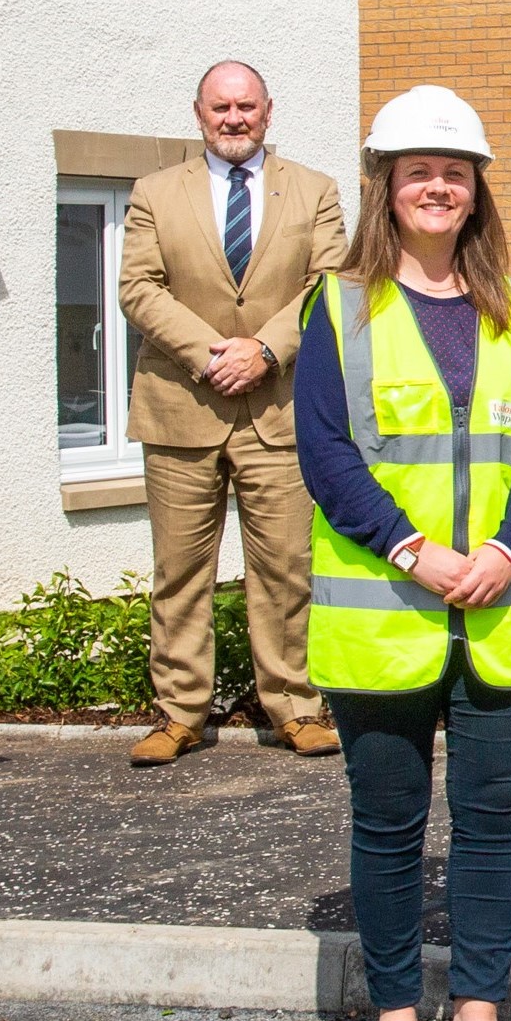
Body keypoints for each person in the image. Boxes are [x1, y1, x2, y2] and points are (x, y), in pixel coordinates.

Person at [296, 85, 511, 1021]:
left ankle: (479, 1020)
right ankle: (397, 1014)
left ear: (477, 190)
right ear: (386, 187)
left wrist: (504, 547)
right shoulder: (338, 306)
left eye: (454, 172)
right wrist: (413, 550)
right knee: (387, 824)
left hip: (498, 607)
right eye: (418, 172)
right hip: (385, 614)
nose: (437, 187)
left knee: (492, 824)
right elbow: (325, 452)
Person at [116, 60, 347, 765]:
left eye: (246, 105)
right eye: (221, 107)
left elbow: (329, 284)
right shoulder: (155, 191)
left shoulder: (314, 190)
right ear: (199, 113)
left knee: (285, 569)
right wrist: (212, 352)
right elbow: (138, 287)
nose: (234, 118)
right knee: (179, 572)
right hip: (181, 406)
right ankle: (179, 712)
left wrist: (265, 350)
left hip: (278, 410)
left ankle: (294, 707)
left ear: (268, 111)